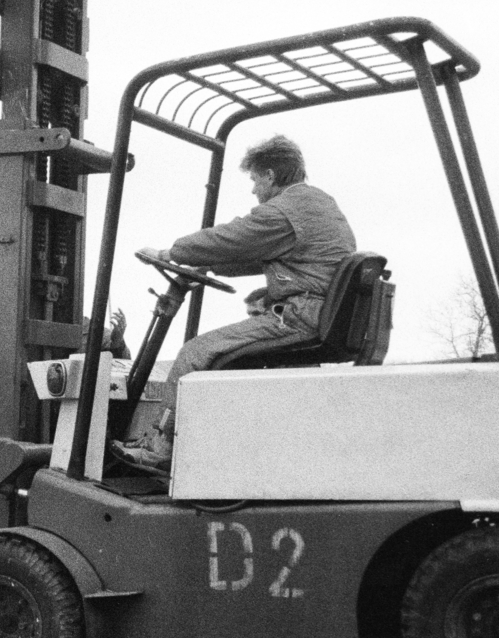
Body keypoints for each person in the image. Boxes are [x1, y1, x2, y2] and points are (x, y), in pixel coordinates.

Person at [113, 135, 355, 471]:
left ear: (270, 175)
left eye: (255, 180)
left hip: (301, 316)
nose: (254, 189)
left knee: (193, 354)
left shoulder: (284, 212)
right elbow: (261, 256)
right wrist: (208, 265)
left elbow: (233, 237)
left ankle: (160, 451)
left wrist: (172, 253)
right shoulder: (316, 203)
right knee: (219, 357)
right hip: (318, 312)